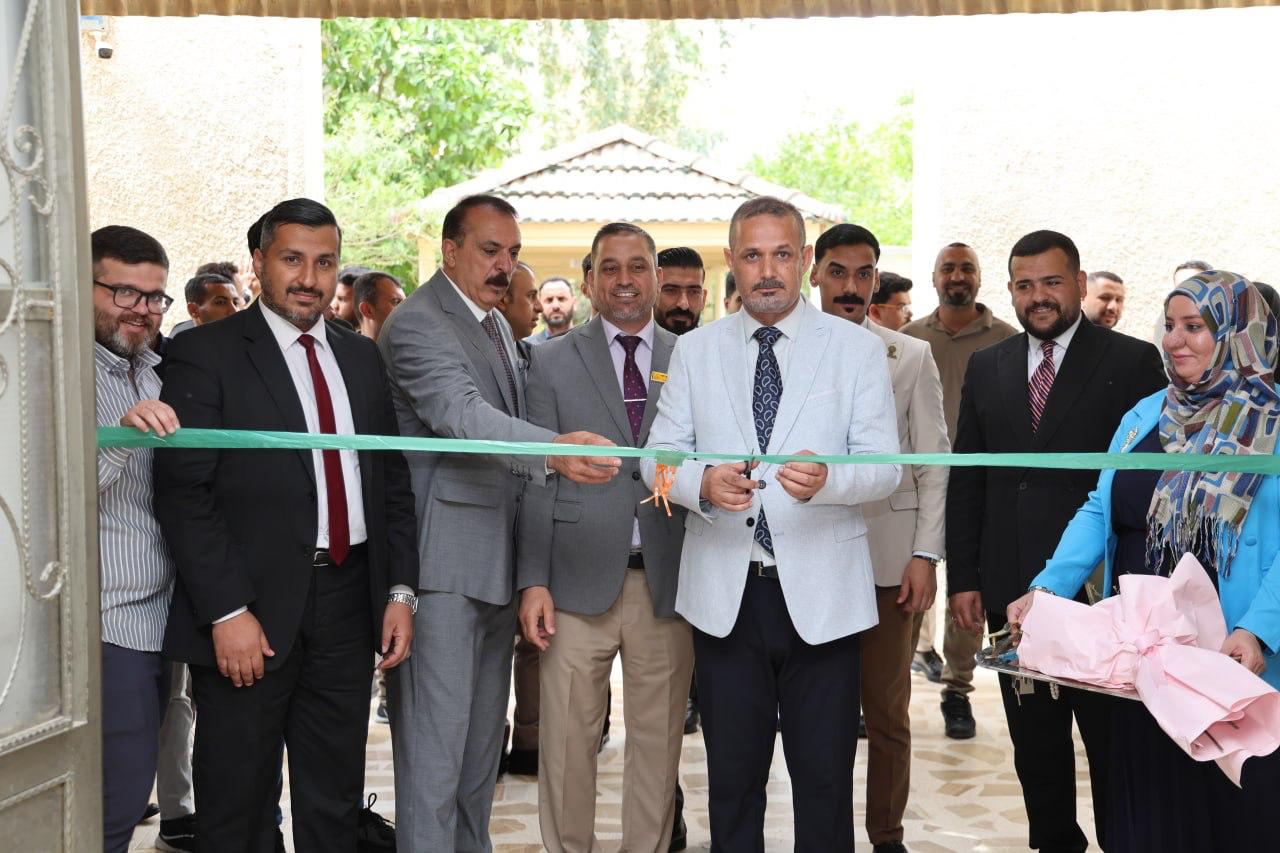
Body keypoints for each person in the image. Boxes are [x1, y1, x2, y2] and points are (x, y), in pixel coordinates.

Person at [153, 198, 419, 852]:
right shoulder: (206, 353)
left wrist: (399, 592)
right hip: (249, 611)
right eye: (292, 259)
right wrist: (226, 610)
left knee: (334, 802)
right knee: (237, 806)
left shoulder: (361, 357)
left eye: (324, 262)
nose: (309, 277)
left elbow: (389, 482)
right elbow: (184, 494)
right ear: (259, 263)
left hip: (349, 600)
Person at [643, 196, 901, 851]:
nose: (767, 270)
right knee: (732, 787)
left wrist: (831, 481)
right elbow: (654, 463)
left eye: (782, 254)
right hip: (726, 602)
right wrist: (699, 483)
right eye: (753, 255)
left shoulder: (856, 350)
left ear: (805, 260)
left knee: (825, 786)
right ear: (731, 261)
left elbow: (885, 469)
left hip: (826, 599)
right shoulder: (695, 351)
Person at [378, 193, 620, 852]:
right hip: (441, 574)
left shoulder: (494, 326)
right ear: (450, 249)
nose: (504, 266)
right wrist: (554, 448)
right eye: (490, 250)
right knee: (434, 767)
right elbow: (462, 415)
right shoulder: (418, 322)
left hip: (495, 569)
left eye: (512, 253)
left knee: (478, 766)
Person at [1008, 271, 1280, 852]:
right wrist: (1048, 588)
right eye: (1170, 325)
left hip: (1230, 658)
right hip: (1145, 659)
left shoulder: (1272, 424)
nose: (1174, 340)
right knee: (1149, 816)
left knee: (1236, 815)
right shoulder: (1144, 416)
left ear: (1238, 334)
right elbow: (1099, 509)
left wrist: (1259, 629)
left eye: (1195, 326)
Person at [947, 229, 1166, 853]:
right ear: (1010, 290)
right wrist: (965, 577)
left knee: (1115, 749)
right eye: (1024, 285)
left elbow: (1146, 486)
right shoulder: (988, 364)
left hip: (1103, 596)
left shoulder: (1132, 361)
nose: (1038, 296)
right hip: (1014, 591)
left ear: (1078, 282)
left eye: (1051, 282)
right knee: (1036, 751)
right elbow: (968, 477)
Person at [518, 222, 692, 853]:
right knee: (567, 746)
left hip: (668, 585)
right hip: (572, 582)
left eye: (637, 266)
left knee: (658, 747)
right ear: (590, 280)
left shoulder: (691, 356)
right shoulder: (548, 359)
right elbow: (534, 478)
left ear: (656, 277)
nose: (625, 280)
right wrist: (532, 580)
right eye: (610, 268)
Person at [812, 224, 948, 853]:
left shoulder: (910, 356)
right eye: (838, 272)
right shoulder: (787, 351)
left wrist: (925, 554)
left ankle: (887, 836)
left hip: (888, 562)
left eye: (863, 274)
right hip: (808, 559)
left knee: (888, 712)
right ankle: (825, 834)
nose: (851, 286)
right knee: (820, 716)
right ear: (815, 273)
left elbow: (933, 463)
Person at [900, 242, 1019, 737]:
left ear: (979, 278)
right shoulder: (908, 339)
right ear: (934, 278)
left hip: (980, 489)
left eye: (966, 268)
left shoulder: (1007, 341)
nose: (957, 276)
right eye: (947, 267)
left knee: (968, 592)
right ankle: (889, 693)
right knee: (907, 590)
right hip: (918, 487)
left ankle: (957, 690)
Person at [92, 224, 180, 853]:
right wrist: (121, 436)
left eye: (154, 297)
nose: (142, 310)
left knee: (131, 788)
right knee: (114, 801)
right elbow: (51, 495)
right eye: (124, 292)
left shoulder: (155, 371)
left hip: (162, 614)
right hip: (104, 620)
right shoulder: (60, 373)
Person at [654, 246, 707, 335]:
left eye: (693, 292)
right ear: (651, 295)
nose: (683, 304)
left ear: (703, 299)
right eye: (671, 291)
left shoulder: (718, 343)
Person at [352, 270, 406, 341]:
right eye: (396, 302)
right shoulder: (343, 347)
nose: (406, 309)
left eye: (405, 303)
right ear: (367, 310)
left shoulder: (411, 345)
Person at [496, 261, 540, 342]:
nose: (540, 308)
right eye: (531, 296)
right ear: (502, 300)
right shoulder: (474, 346)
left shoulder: (532, 349)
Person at [526, 277, 576, 344]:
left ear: (574, 303)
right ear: (539, 304)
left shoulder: (587, 343)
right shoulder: (527, 347)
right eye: (549, 300)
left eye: (561, 299)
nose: (555, 306)